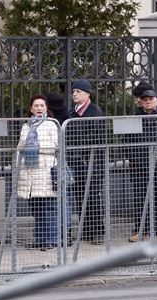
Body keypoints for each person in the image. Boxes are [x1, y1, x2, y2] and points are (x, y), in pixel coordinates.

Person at [16, 94, 60, 250]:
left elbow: (55, 147)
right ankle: (40, 239)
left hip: (45, 171)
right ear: (31, 109)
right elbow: (20, 146)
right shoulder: (26, 125)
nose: (39, 108)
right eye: (36, 106)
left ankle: (51, 241)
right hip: (29, 172)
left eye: (42, 105)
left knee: (49, 209)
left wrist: (36, 146)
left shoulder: (51, 124)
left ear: (46, 107)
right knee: (36, 209)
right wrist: (26, 146)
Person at [128, 88, 157, 242]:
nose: (148, 102)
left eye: (151, 99)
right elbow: (129, 142)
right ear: (141, 101)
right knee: (140, 198)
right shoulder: (135, 118)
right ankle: (141, 230)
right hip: (140, 166)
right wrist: (134, 161)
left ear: (156, 100)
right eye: (145, 99)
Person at [66, 79, 106, 243]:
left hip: (91, 162)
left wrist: (85, 155)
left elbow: (96, 138)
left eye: (78, 91)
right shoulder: (72, 112)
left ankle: (97, 232)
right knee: (80, 196)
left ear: (87, 94)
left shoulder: (94, 111)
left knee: (93, 196)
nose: (74, 94)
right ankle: (87, 231)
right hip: (76, 161)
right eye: (73, 91)